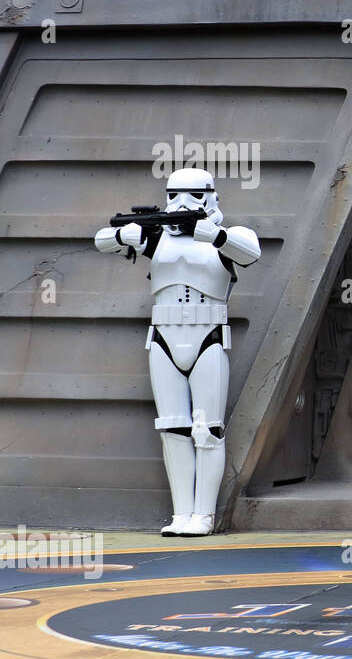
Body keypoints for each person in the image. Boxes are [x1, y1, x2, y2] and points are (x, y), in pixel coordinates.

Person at [94, 168, 261, 536]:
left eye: (193, 195)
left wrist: (214, 234)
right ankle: (181, 513)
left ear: (211, 196)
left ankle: (204, 514)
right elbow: (103, 239)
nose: (183, 203)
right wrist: (126, 234)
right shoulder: (158, 239)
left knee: (207, 430)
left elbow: (250, 252)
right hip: (164, 337)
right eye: (175, 195)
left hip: (208, 337)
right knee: (173, 429)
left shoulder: (227, 235)